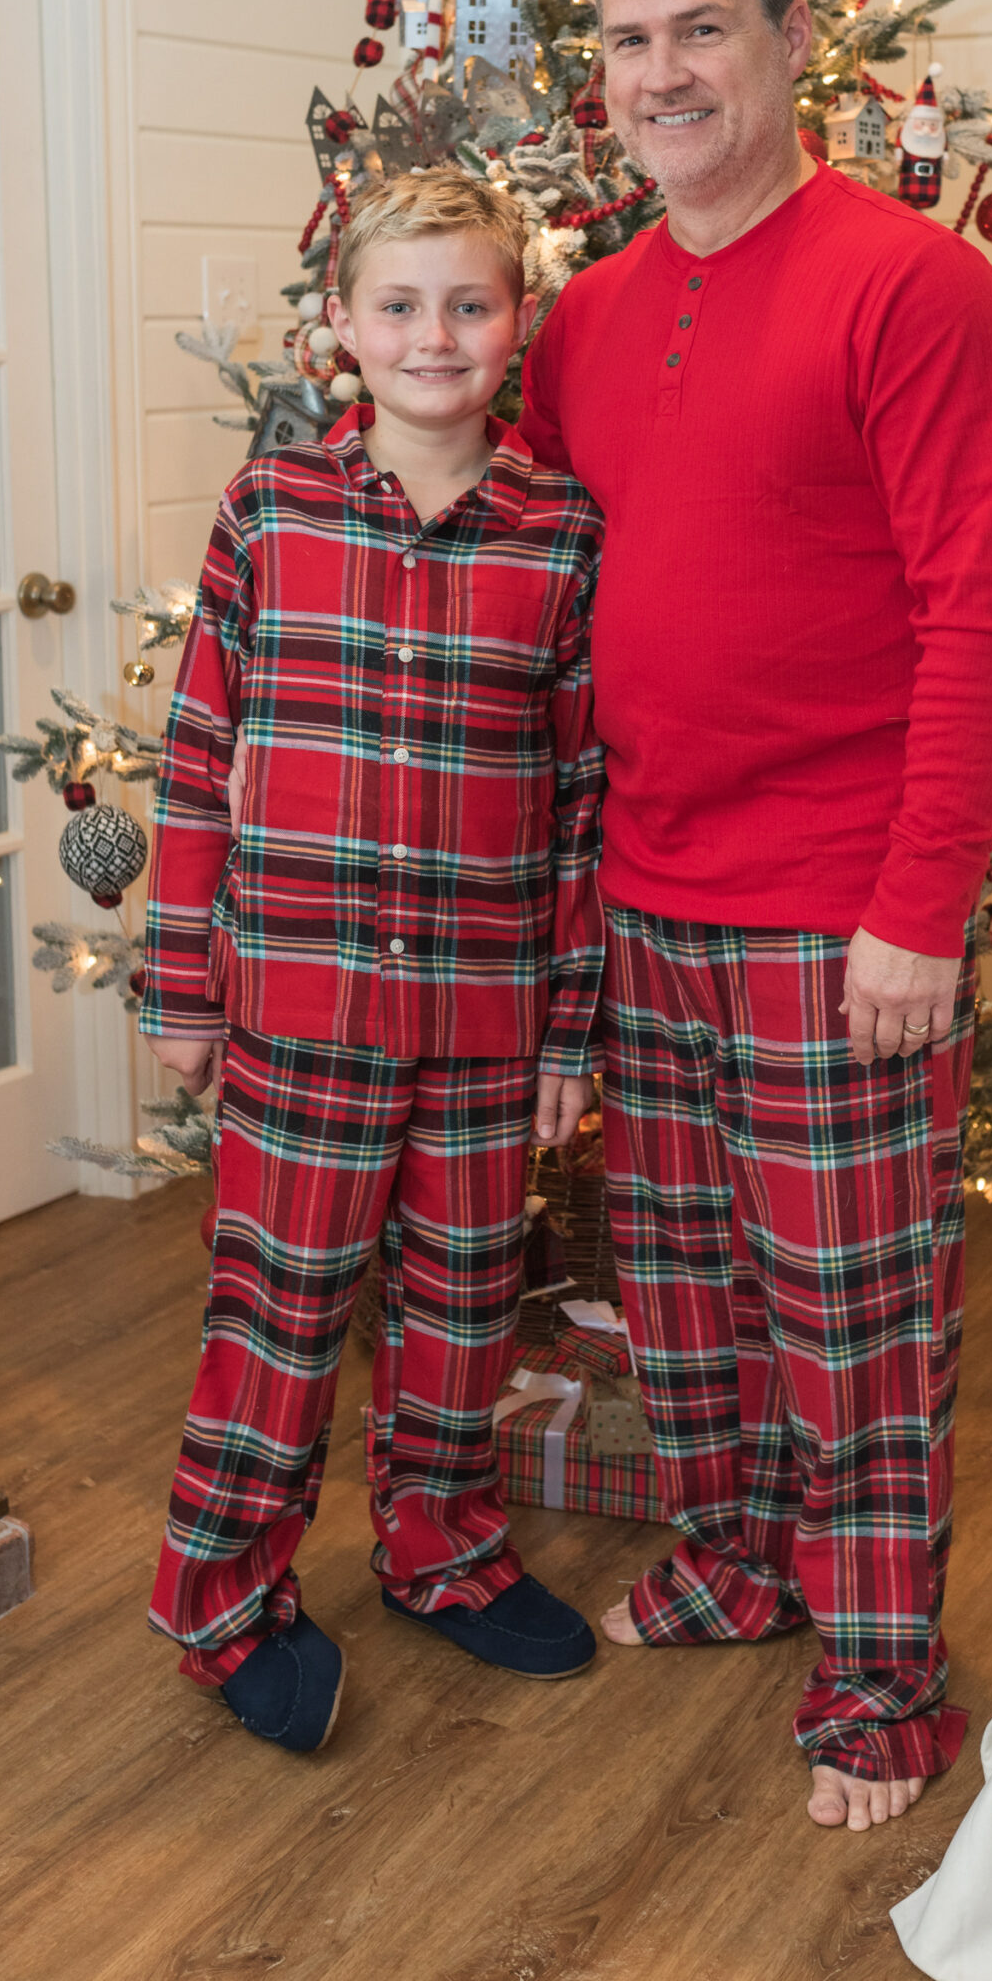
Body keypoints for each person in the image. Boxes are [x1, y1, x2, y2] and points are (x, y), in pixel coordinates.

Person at [518, 0, 992, 1832]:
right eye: (628, 37)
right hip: (648, 897)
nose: (660, 73)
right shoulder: (582, 317)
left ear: (792, 35)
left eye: (700, 28)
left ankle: (883, 1669)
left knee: (855, 1314)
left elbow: (984, 620)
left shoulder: (915, 285)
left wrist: (919, 909)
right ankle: (739, 1559)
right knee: (682, 1287)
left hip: (839, 914)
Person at [139, 168, 606, 1753]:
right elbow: (201, 754)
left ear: (514, 324)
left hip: (481, 1023)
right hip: (301, 1012)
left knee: (463, 1309)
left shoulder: (561, 537)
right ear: (342, 323)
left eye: (468, 304)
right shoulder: (271, 510)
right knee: (277, 1312)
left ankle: (440, 1553)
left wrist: (566, 1035)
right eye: (398, 304)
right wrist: (183, 984)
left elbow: (580, 801)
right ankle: (223, 1601)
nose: (433, 336)